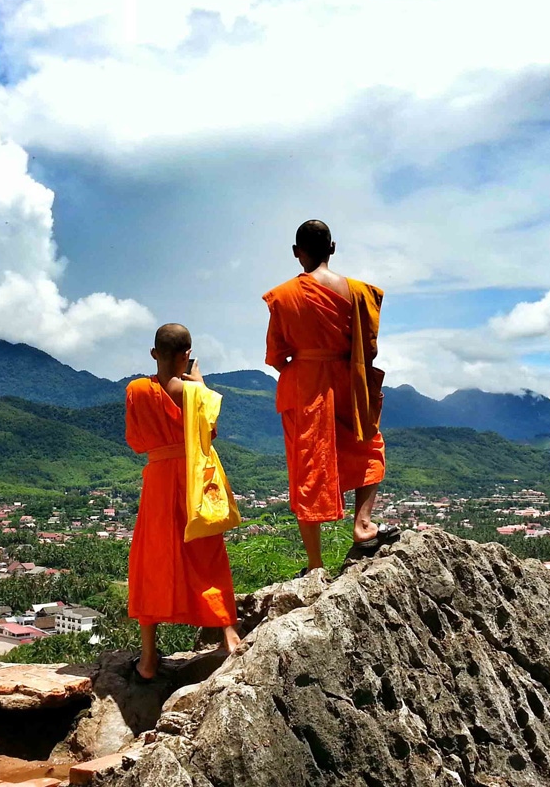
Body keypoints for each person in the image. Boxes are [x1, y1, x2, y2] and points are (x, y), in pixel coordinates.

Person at [262, 219, 398, 574]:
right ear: (333, 248)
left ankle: (315, 563)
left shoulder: (283, 296)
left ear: (297, 253)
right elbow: (369, 348)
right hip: (348, 381)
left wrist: (308, 365)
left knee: (307, 467)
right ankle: (363, 525)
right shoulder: (359, 293)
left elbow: (276, 355)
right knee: (367, 445)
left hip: (304, 387)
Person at [125, 323, 242, 681]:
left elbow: (135, 440)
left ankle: (147, 659)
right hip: (195, 476)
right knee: (206, 553)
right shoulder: (194, 393)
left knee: (153, 558)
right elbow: (211, 430)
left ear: (153, 353)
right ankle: (229, 636)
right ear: (187, 355)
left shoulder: (137, 390)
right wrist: (199, 384)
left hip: (159, 479)